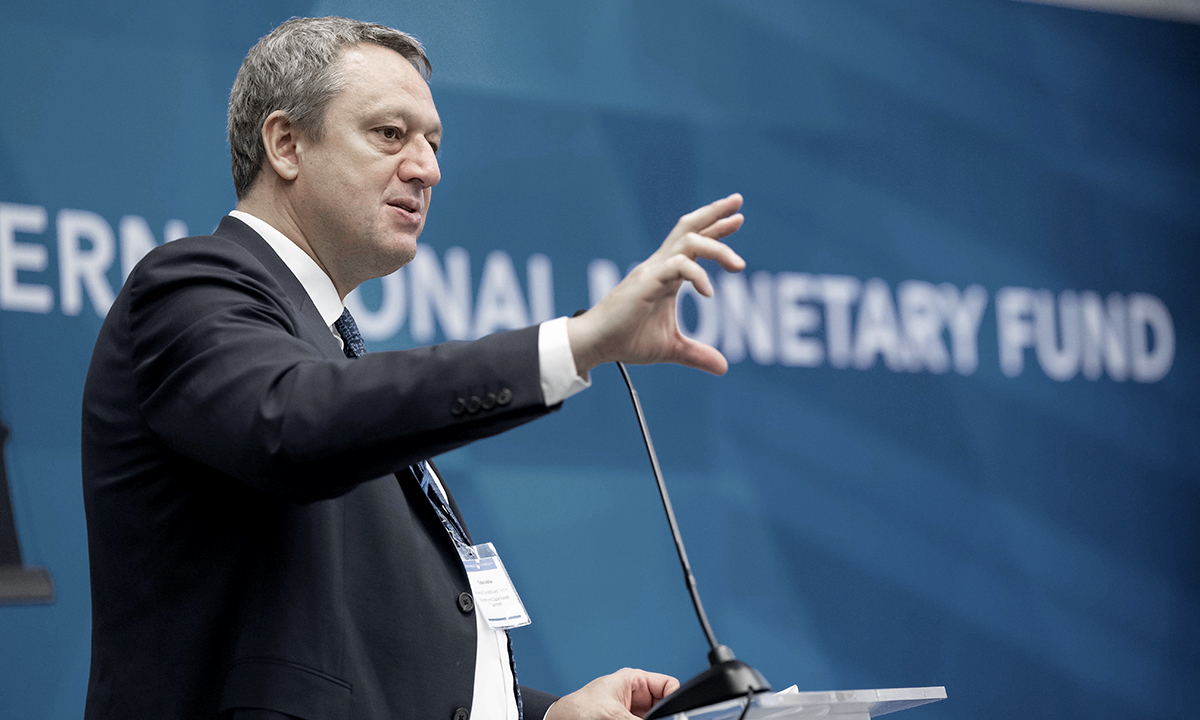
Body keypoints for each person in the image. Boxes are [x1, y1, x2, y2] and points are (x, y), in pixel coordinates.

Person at [81, 16, 745, 720]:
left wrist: (545, 715)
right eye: (389, 134)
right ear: (286, 145)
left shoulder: (331, 350)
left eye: (432, 142)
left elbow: (366, 654)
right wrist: (575, 343)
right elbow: (296, 424)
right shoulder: (188, 286)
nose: (426, 167)